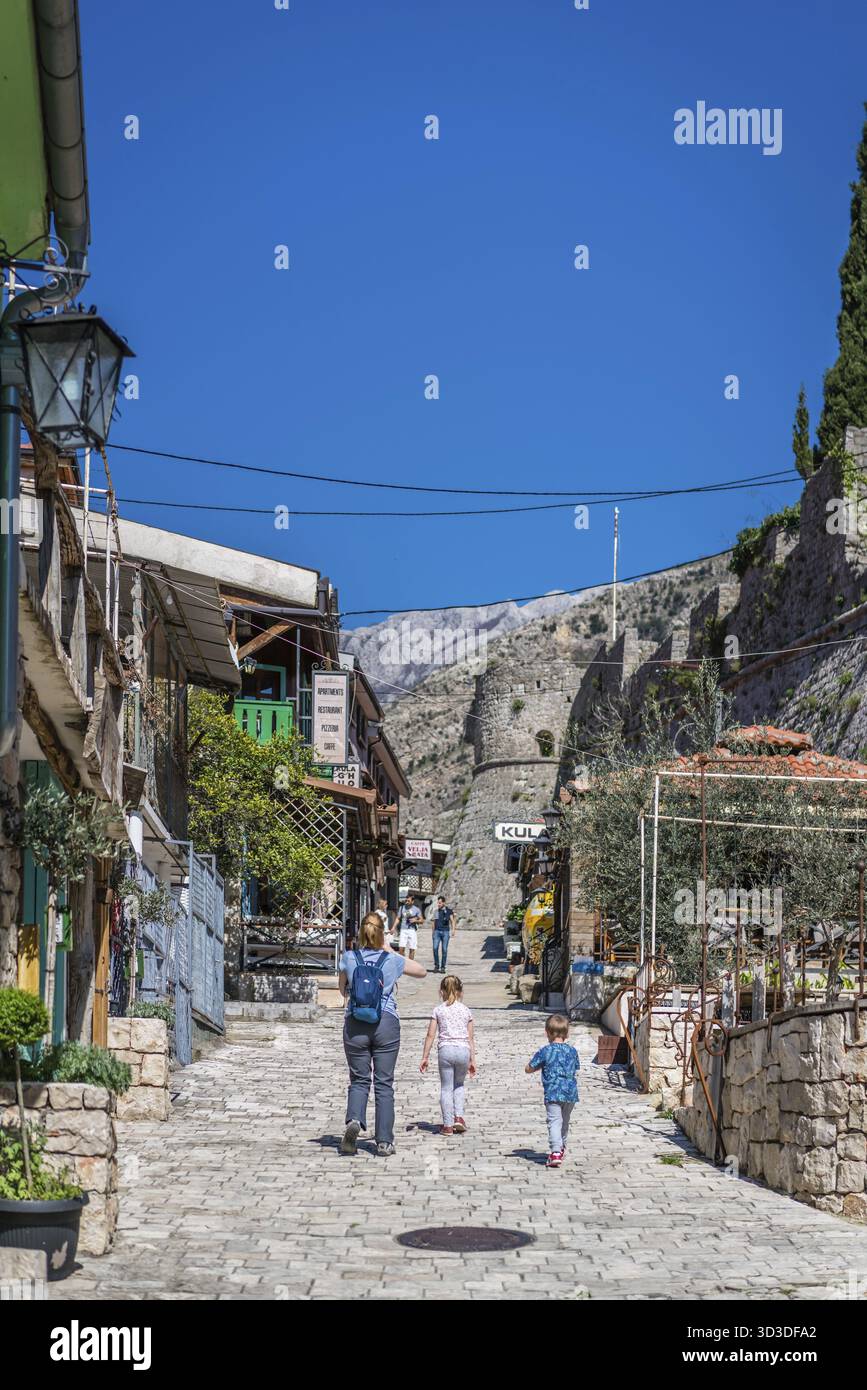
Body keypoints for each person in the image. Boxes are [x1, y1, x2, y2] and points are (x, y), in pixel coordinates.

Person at [338, 911, 426, 1156]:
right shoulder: (392, 960)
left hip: (355, 1023)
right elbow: (421, 971)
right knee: (384, 1083)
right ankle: (384, 1141)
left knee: (359, 1079)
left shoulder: (349, 957)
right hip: (386, 1022)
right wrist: (390, 950)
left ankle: (354, 1120)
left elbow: (342, 991)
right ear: (380, 935)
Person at [420, 974, 476, 1135]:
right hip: (463, 1050)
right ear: (460, 991)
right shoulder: (466, 1011)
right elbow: (470, 1037)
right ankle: (459, 1117)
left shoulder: (438, 1010)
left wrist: (425, 1057)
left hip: (445, 1050)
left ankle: (447, 1125)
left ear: (441, 991)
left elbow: (430, 1035)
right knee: (459, 1085)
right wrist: (473, 1060)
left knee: (446, 1088)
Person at [525, 1013, 580, 1169]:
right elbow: (576, 1068)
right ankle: (561, 1147)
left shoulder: (545, 1051)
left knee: (554, 1122)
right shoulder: (572, 1051)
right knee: (564, 1121)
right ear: (567, 1033)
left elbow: (529, 1068)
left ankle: (555, 1152)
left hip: (553, 1093)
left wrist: (533, 1068)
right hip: (570, 1093)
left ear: (547, 1032)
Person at [431, 894, 456, 973]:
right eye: (438, 903)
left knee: (444, 950)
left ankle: (443, 967)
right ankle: (436, 965)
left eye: (440, 903)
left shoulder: (449, 911)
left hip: (445, 932)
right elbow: (434, 922)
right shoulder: (436, 911)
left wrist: (453, 930)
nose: (438, 904)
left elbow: (452, 921)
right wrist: (433, 933)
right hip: (437, 932)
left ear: (444, 903)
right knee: (435, 948)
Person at [396, 892, 423, 959]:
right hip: (403, 929)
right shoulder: (402, 908)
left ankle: (411, 964)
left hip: (412, 930)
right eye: (406, 900)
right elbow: (398, 918)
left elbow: (422, 920)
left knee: (412, 948)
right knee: (401, 949)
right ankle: (403, 964)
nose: (407, 902)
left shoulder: (416, 909)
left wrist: (415, 920)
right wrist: (393, 928)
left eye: (408, 901)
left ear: (412, 901)